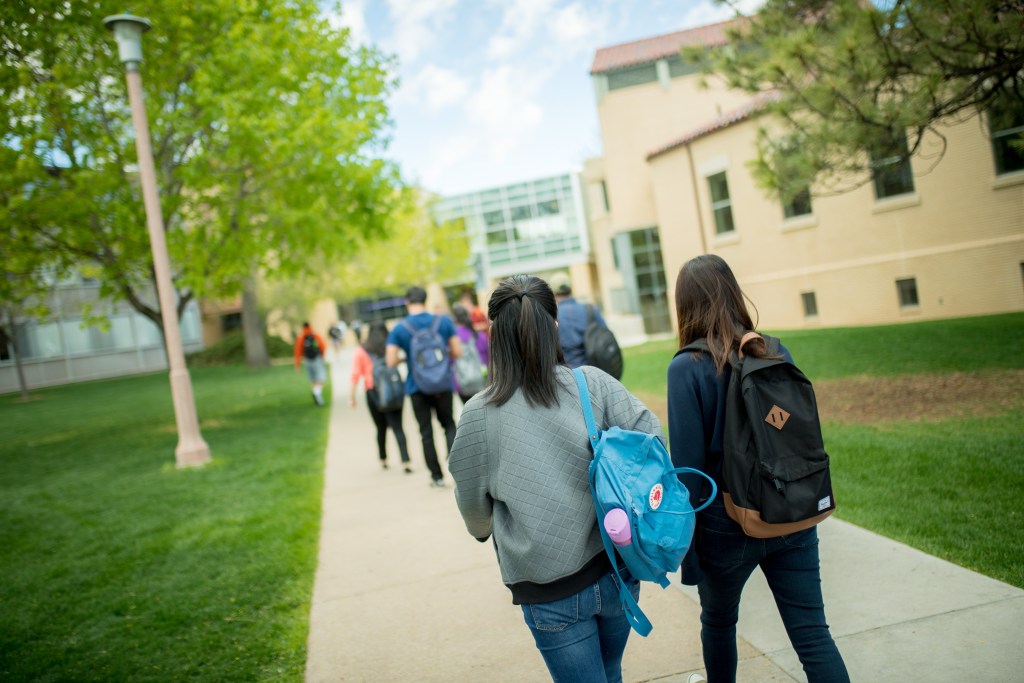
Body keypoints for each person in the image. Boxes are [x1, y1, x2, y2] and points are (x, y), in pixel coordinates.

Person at [449, 274, 663, 683]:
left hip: (548, 589)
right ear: (555, 329)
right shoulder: (592, 384)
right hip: (617, 568)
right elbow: (652, 439)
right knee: (611, 672)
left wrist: (481, 529)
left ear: (495, 338)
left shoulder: (479, 413)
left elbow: (473, 506)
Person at [667, 254, 849, 683]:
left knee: (718, 623)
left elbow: (689, 474)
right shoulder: (769, 350)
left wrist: (689, 555)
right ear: (732, 292)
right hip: (790, 508)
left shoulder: (686, 368)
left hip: (725, 525)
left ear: (685, 306)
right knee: (812, 634)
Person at [385, 286, 462, 488]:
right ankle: (458, 471)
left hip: (417, 387)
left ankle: (436, 477)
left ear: (407, 302)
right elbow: (457, 351)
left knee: (426, 432)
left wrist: (407, 358)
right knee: (449, 425)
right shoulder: (443, 321)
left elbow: (390, 361)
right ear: (425, 300)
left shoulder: (400, 329)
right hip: (443, 383)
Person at [350, 322, 412, 473]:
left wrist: (352, 397)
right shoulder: (391, 347)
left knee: (380, 427)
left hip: (373, 393)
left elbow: (355, 375)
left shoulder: (361, 350)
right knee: (398, 427)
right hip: (394, 390)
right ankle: (405, 461)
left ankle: (383, 459)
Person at [551, 273, 608, 368]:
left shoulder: (552, 315)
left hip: (566, 372)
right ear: (571, 289)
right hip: (594, 370)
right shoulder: (591, 309)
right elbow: (605, 336)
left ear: (553, 293)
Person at [451, 303, 490, 404]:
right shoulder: (478, 334)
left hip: (462, 383)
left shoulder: (453, 337)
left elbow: (451, 361)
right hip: (482, 380)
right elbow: (488, 356)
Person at [294, 322, 328, 406]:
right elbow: (322, 346)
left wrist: (297, 365)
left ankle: (315, 393)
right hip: (316, 359)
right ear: (310, 326)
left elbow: (298, 352)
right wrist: (323, 357)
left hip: (307, 360)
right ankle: (317, 393)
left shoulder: (301, 337)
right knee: (321, 379)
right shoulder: (315, 335)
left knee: (313, 379)